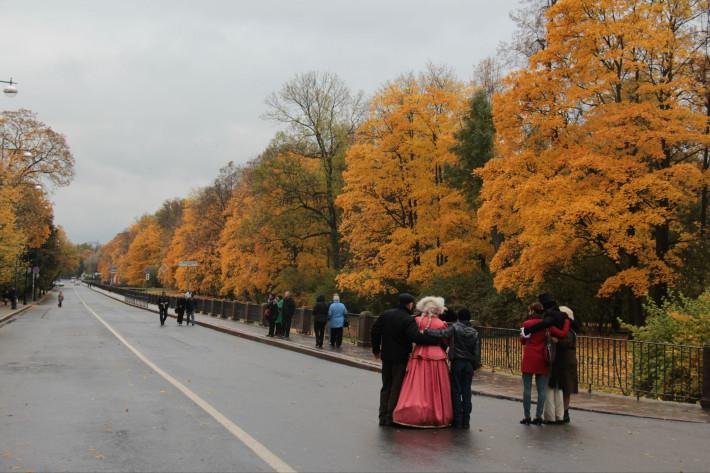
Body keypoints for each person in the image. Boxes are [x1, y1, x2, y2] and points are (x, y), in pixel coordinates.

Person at [371, 293, 440, 427]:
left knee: (386, 386)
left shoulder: (386, 314)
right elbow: (415, 337)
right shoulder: (407, 319)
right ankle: (390, 417)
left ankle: (382, 416)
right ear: (409, 304)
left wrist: (376, 349)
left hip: (386, 356)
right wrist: (434, 340)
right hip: (401, 358)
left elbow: (375, 331)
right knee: (396, 387)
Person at [392, 296, 453, 428]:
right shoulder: (441, 324)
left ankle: (412, 411)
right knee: (436, 386)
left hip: (419, 354)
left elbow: (411, 335)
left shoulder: (416, 320)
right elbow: (445, 341)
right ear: (437, 310)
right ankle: (437, 414)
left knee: (417, 383)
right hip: (437, 356)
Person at [425, 308, 481, 429]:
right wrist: (474, 366)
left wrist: (427, 331)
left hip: (457, 362)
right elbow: (476, 353)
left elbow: (442, 334)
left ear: (459, 318)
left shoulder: (455, 328)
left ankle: (457, 419)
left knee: (456, 391)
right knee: (467, 391)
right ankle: (466, 420)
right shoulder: (475, 332)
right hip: (469, 365)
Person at [520, 302, 549, 425]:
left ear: (532, 311)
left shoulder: (527, 324)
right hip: (542, 357)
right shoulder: (546, 325)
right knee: (542, 389)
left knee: (527, 388)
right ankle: (539, 416)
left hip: (529, 356)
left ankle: (527, 416)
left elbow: (523, 340)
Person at [548, 305, 578, 424]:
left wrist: (557, 341)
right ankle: (561, 412)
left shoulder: (569, 332)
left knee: (566, 387)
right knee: (562, 387)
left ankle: (565, 412)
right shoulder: (567, 330)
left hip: (567, 362)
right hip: (564, 361)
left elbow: (566, 344)